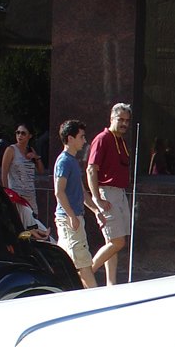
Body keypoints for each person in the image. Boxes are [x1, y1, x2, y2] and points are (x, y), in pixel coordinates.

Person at [86, 102, 133, 285]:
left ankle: (111, 284)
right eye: (120, 119)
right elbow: (91, 170)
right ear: (111, 118)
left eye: (127, 121)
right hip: (107, 194)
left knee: (112, 243)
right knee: (118, 242)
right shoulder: (102, 138)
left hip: (119, 193)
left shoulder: (120, 140)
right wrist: (97, 198)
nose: (124, 124)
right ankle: (86, 272)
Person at [54, 119, 98, 289]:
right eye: (81, 137)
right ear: (70, 138)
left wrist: (95, 210)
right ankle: (94, 298)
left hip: (72, 218)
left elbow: (80, 191)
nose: (84, 141)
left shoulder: (71, 161)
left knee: (71, 262)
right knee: (83, 262)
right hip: (69, 219)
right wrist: (72, 216)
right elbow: (59, 191)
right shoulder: (65, 161)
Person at [0, 123, 44, 216]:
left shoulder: (30, 149)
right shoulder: (11, 150)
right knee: (20, 223)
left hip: (30, 194)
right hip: (16, 194)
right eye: (18, 132)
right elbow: (4, 173)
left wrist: (36, 157)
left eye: (23, 133)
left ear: (30, 136)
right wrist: (7, 193)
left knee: (34, 224)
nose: (20, 135)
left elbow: (41, 171)